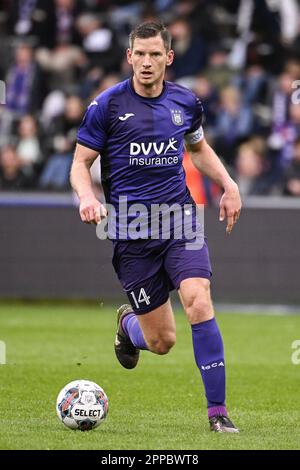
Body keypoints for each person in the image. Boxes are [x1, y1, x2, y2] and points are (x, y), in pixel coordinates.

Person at [70, 21, 242, 434]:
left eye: (154, 54)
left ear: (168, 57)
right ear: (129, 57)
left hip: (181, 219)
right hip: (132, 232)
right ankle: (129, 326)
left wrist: (229, 184)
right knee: (163, 341)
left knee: (198, 299)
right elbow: (80, 163)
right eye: (139, 54)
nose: (146, 62)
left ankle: (217, 413)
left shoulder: (187, 103)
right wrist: (88, 197)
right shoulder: (107, 106)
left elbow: (197, 148)